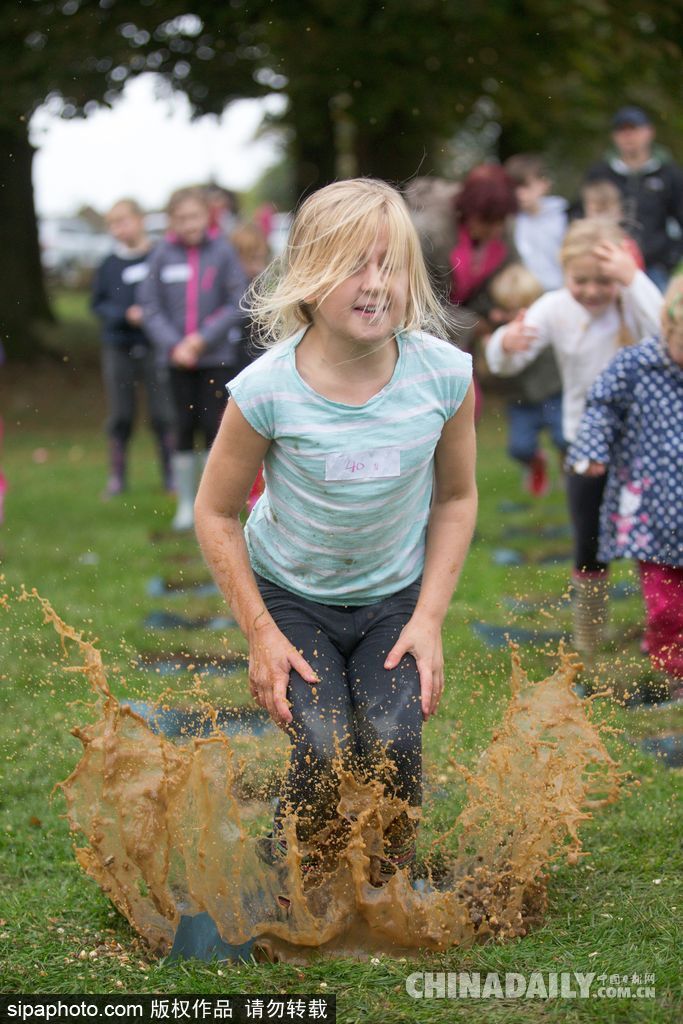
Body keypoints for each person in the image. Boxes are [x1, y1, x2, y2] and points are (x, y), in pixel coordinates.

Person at [194, 178, 477, 888]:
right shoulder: (265, 390)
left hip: (393, 598)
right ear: (309, 275)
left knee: (391, 738)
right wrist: (260, 632)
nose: (376, 284)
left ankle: (385, 884)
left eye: (391, 264)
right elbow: (215, 512)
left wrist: (429, 619)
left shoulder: (444, 377)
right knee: (321, 744)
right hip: (290, 598)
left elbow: (456, 497)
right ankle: (290, 873)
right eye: (355, 265)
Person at [485, 219, 662, 660]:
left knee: (655, 541)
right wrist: (505, 343)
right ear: (564, 273)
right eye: (580, 280)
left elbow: (667, 331)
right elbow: (506, 362)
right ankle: (589, 636)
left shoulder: (634, 302)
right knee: (589, 540)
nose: (592, 291)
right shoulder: (555, 308)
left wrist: (633, 279)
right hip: (584, 442)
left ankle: (662, 628)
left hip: (645, 445)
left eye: (604, 280)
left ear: (619, 273)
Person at [568, 276, 683, 700]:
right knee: (667, 604)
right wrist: (592, 450)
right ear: (667, 330)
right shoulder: (634, 366)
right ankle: (673, 671)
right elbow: (600, 410)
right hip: (655, 512)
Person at [140, 187, 248, 530]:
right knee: (183, 427)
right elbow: (150, 306)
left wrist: (201, 340)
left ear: (207, 216)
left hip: (215, 358)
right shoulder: (161, 255)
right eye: (182, 218)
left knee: (214, 427)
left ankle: (212, 503)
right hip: (176, 360)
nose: (189, 224)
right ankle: (186, 504)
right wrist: (176, 345)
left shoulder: (223, 251)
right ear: (172, 220)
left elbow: (236, 301)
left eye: (195, 216)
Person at [91, 199, 175, 498]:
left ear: (140, 220)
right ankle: (117, 478)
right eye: (112, 224)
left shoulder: (160, 256)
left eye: (123, 221)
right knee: (121, 415)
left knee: (163, 413)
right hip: (118, 346)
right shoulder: (108, 264)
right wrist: (123, 315)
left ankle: (172, 477)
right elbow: (97, 304)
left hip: (154, 345)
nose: (118, 229)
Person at [584, 106, 683, 290]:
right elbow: (581, 214)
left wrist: (671, 258)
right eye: (621, 130)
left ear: (649, 132)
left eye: (634, 129)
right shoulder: (600, 173)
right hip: (608, 264)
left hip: (655, 268)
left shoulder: (669, 174)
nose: (628, 136)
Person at [487, 264, 565, 496]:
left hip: (553, 393)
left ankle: (567, 466)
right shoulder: (500, 335)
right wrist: (500, 345)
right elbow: (493, 370)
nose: (519, 315)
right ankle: (535, 462)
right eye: (510, 309)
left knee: (565, 438)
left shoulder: (550, 325)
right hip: (520, 400)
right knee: (519, 447)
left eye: (525, 307)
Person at [448, 164, 519, 419]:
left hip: (466, 342)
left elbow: (505, 282)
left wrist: (498, 311)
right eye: (487, 221)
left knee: (469, 407)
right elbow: (418, 303)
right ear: (468, 212)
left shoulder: (504, 234)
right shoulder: (430, 233)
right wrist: (474, 324)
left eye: (500, 221)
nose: (494, 229)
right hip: (428, 336)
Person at [504, 153, 567, 291]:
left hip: (559, 290)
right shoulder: (508, 222)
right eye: (514, 187)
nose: (519, 193)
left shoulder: (563, 217)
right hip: (523, 295)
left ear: (544, 184)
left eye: (526, 186)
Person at [580, 180, 645, 269]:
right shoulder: (580, 242)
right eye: (597, 211)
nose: (602, 219)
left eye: (608, 212)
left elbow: (636, 270)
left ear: (620, 213)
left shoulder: (626, 244)